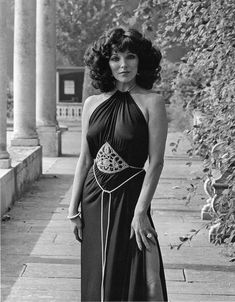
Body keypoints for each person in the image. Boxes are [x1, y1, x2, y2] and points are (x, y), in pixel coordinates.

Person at [68, 27, 168, 302]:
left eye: (130, 56)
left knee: (128, 274)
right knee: (95, 274)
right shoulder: (92, 103)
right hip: (92, 198)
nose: (123, 65)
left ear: (141, 60)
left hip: (130, 198)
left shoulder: (152, 102)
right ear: (105, 63)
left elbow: (156, 162)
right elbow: (85, 158)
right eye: (115, 58)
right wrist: (72, 209)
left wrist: (141, 211)